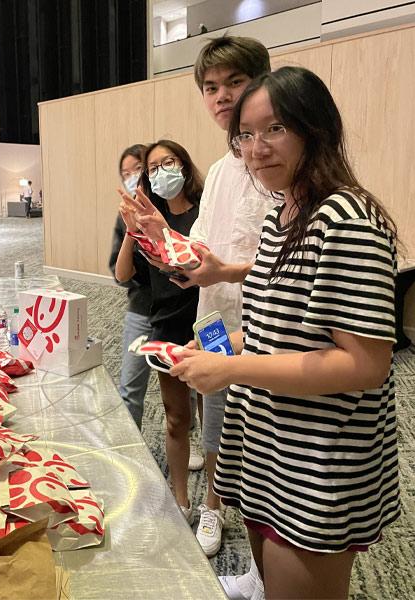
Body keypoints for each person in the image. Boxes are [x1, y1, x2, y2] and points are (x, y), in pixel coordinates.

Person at [170, 67, 401, 600]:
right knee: (269, 574)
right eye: (245, 135)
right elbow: (279, 324)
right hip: (269, 436)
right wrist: (215, 351)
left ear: (314, 129)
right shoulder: (284, 212)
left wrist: (230, 369)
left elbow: (366, 365)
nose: (256, 148)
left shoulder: (347, 220)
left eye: (274, 129)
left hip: (319, 454)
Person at [127, 35, 272, 560]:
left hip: (265, 323)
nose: (222, 97)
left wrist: (222, 269)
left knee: (265, 433)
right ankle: (212, 504)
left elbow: (295, 263)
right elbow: (205, 247)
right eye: (210, 87)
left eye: (235, 81)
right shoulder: (222, 170)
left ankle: (259, 541)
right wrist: (164, 244)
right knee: (214, 426)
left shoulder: (279, 164)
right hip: (213, 319)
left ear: (263, 81)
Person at [115, 140, 204, 522]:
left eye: (169, 162)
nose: (161, 171)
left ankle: (214, 502)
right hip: (165, 324)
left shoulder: (204, 213)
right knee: (175, 417)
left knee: (213, 414)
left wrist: (163, 231)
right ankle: (181, 499)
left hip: (205, 324)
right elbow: (122, 275)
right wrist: (132, 231)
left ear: (184, 165)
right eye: (153, 167)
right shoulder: (148, 219)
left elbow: (199, 264)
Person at [108, 144, 152, 429]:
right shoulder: (125, 216)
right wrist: (132, 230)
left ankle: (185, 442)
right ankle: (130, 451)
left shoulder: (176, 206)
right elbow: (120, 273)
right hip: (142, 308)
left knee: (183, 391)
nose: (132, 177)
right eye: (126, 173)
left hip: (180, 311)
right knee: (130, 389)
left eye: (137, 169)